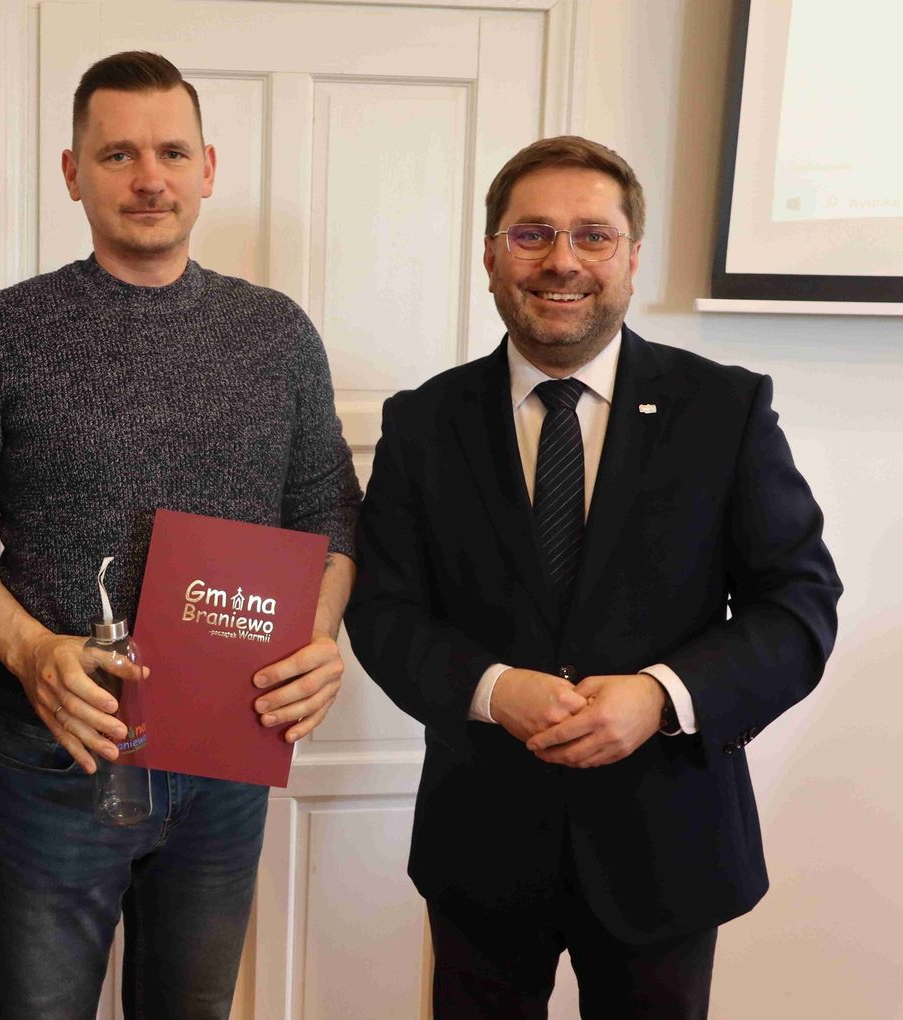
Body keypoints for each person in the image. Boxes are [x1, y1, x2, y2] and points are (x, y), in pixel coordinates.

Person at [344, 134, 841, 1018]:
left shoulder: (725, 408)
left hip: (669, 851)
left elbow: (797, 607)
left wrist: (660, 695)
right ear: (490, 255)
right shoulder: (423, 421)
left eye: (593, 236)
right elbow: (384, 611)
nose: (562, 261)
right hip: (481, 850)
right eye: (531, 234)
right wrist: (493, 690)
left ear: (632, 257)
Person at [0, 51, 360, 1019]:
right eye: (117, 154)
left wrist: (319, 638)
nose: (149, 178)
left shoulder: (277, 335)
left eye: (172, 153)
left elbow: (328, 513)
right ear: (72, 173)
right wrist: (31, 650)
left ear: (209, 168)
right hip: (60, 751)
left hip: (226, 753)